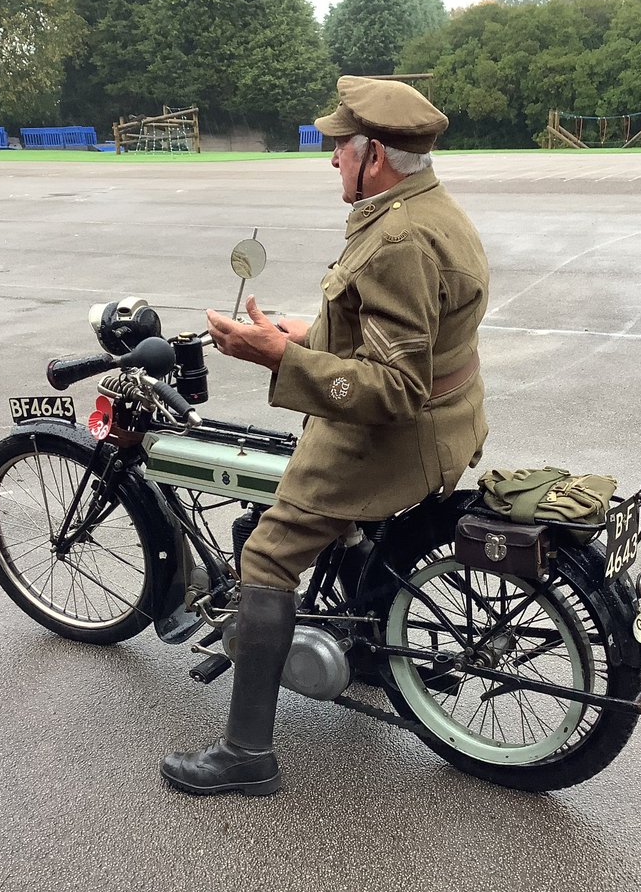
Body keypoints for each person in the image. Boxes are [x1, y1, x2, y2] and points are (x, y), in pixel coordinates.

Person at [161, 75, 490, 796]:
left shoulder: (397, 238)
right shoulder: (426, 205)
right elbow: (400, 337)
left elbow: (395, 389)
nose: (330, 158)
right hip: (456, 418)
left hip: (398, 438)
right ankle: (369, 649)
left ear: (373, 152)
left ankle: (246, 754)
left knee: (270, 554)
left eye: (339, 146)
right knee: (325, 527)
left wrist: (277, 357)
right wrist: (305, 332)